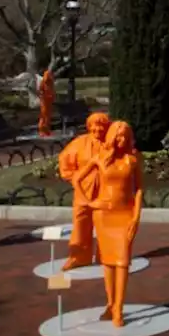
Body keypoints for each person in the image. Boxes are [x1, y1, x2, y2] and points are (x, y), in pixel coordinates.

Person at [72, 120, 144, 328]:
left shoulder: (133, 159)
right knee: (107, 262)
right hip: (103, 214)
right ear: (112, 136)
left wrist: (136, 217)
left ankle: (119, 309)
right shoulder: (100, 159)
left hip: (124, 214)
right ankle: (110, 304)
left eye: (125, 136)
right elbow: (77, 179)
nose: (121, 140)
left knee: (122, 261)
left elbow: (138, 189)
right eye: (118, 136)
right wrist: (89, 201)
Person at [57, 112, 111, 270]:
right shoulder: (79, 143)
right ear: (89, 127)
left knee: (105, 224)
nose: (98, 130)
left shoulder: (111, 144)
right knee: (80, 224)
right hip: (83, 192)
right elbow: (64, 161)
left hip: (105, 191)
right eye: (95, 127)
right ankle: (78, 257)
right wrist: (75, 178)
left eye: (102, 127)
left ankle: (105, 255)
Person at [37, 70, 55, 137]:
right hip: (44, 102)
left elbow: (52, 90)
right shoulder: (43, 82)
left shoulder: (51, 83)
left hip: (49, 101)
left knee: (48, 117)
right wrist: (43, 96)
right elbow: (40, 91)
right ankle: (41, 130)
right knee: (43, 116)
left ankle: (47, 131)